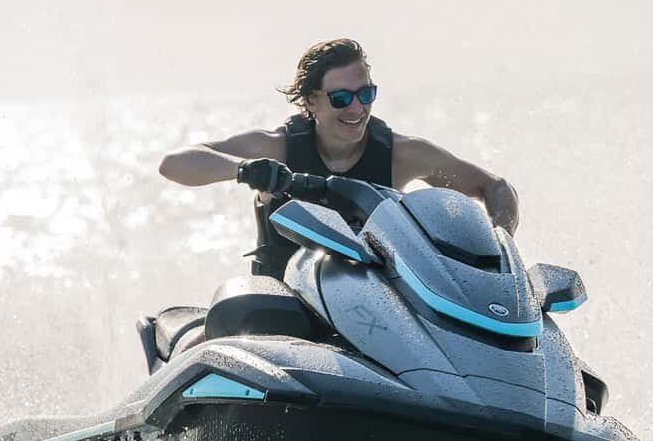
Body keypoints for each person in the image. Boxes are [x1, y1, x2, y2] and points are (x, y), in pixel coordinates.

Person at [158, 38, 520, 279]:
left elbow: (495, 188)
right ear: (311, 101)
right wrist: (244, 170)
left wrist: (503, 246)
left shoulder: (404, 155)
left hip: (374, 308)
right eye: (342, 99)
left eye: (366, 94)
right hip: (281, 299)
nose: (357, 108)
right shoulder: (276, 148)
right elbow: (174, 163)